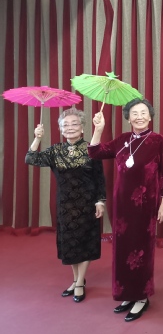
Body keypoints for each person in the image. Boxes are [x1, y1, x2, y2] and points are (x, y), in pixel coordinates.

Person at [88, 98, 163, 322]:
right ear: (128, 118)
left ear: (150, 116)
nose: (139, 117)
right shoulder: (123, 140)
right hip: (122, 204)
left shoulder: (157, 140)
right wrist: (99, 129)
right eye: (134, 113)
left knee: (141, 249)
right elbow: (95, 152)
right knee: (122, 249)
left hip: (145, 204)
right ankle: (127, 293)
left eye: (143, 112)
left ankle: (141, 296)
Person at [25, 108, 105, 303]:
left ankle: (79, 283)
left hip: (87, 204)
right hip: (65, 205)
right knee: (70, 244)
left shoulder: (92, 149)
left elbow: (99, 178)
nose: (70, 127)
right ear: (61, 129)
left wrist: (100, 201)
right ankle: (77, 279)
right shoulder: (55, 150)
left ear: (82, 128)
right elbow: (30, 158)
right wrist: (37, 138)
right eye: (65, 125)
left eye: (74, 124)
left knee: (84, 243)